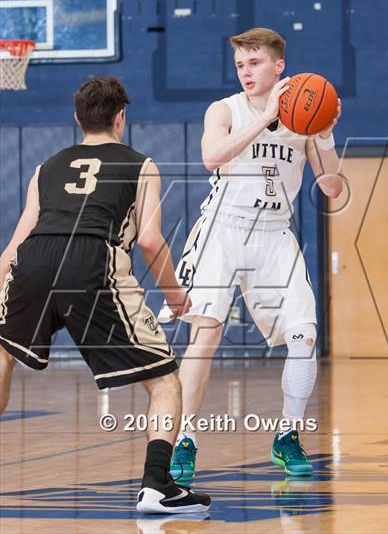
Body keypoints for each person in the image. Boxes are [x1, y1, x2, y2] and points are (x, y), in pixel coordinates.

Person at [0, 77, 210, 514]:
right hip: (91, 260)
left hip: (33, 260)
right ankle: (158, 487)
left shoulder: (45, 169)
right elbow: (150, 241)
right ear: (121, 117)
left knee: (2, 354)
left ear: (78, 118)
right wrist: (174, 295)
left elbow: (14, 246)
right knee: (164, 380)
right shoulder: (141, 164)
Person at [159, 28, 343, 480]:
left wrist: (324, 137)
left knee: (304, 336)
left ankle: (287, 436)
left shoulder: (306, 120)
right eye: (241, 64)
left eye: (255, 62)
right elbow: (211, 157)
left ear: (279, 65)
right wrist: (267, 118)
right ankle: (184, 439)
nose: (246, 71)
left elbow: (332, 189)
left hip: (275, 234)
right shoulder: (224, 110)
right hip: (222, 229)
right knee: (206, 336)